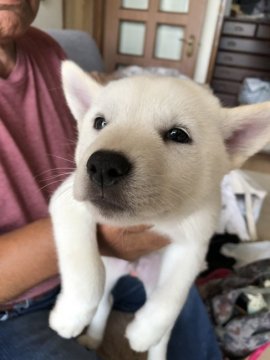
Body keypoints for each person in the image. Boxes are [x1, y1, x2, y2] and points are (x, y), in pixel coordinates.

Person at [0, 1, 222, 359]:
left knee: (180, 303)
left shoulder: (46, 51)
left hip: (101, 251)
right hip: (10, 305)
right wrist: (101, 244)